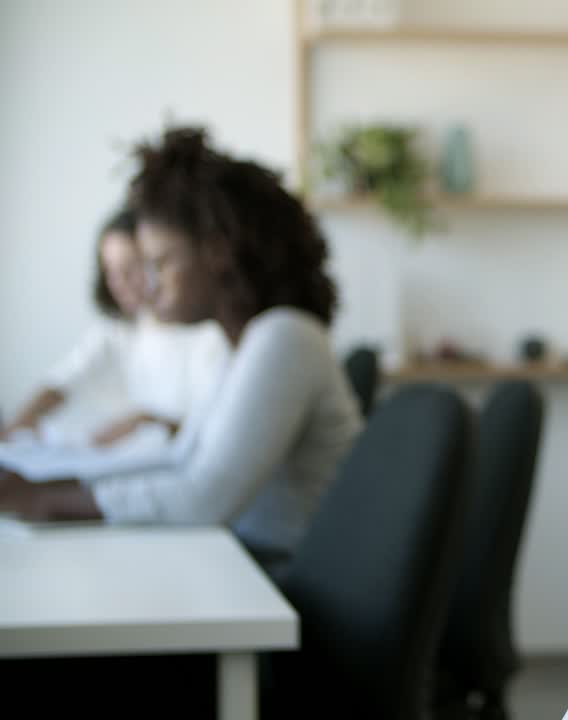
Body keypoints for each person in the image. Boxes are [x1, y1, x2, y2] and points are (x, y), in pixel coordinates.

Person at [0, 127, 364, 570]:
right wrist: (51, 484)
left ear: (218, 253)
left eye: (161, 262)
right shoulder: (242, 345)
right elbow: (179, 462)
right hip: (244, 566)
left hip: (284, 584)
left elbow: (204, 496)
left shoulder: (285, 336)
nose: (149, 284)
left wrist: (46, 500)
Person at [1, 208, 228, 447]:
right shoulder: (121, 329)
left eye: (131, 268)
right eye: (111, 271)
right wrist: (19, 424)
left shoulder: (206, 333)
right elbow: (64, 380)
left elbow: (215, 429)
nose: (120, 283)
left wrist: (148, 420)